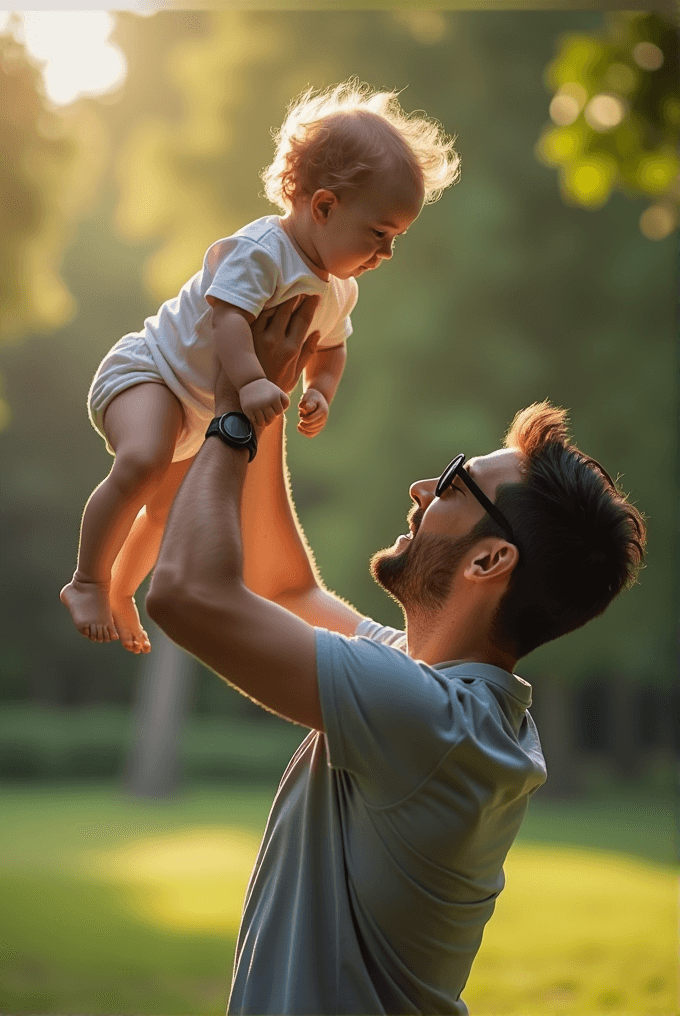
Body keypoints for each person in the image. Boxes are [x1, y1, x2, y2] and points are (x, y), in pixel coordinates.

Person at [145, 296, 646, 1016]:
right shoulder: (453, 704)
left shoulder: (433, 721)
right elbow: (285, 589)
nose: (421, 489)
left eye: (452, 483)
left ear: (490, 559)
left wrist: (228, 413)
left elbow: (185, 594)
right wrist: (268, 396)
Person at [59, 79, 460, 654]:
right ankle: (88, 581)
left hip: (199, 413)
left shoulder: (338, 289)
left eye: (396, 238)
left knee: (167, 508)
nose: (387, 254)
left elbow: (330, 348)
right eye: (379, 234)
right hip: (150, 374)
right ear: (324, 206)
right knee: (143, 462)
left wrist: (320, 390)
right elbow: (226, 320)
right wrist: (250, 383)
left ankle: (122, 588)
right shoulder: (261, 252)